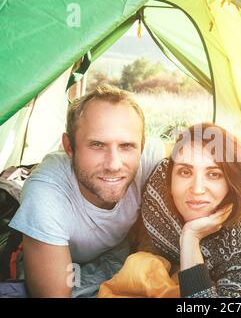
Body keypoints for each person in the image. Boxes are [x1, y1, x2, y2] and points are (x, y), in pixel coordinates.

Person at [8, 85, 165, 297]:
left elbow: (201, 160)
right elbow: (55, 295)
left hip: (116, 251)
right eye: (97, 145)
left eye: (126, 145)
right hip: (59, 263)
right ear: (69, 147)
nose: (114, 164)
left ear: (141, 146)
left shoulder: (150, 157)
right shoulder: (45, 193)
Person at [141, 123, 241, 298]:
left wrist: (190, 238)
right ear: (170, 177)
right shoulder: (159, 182)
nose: (197, 189)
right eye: (185, 172)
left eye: (214, 174)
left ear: (231, 184)